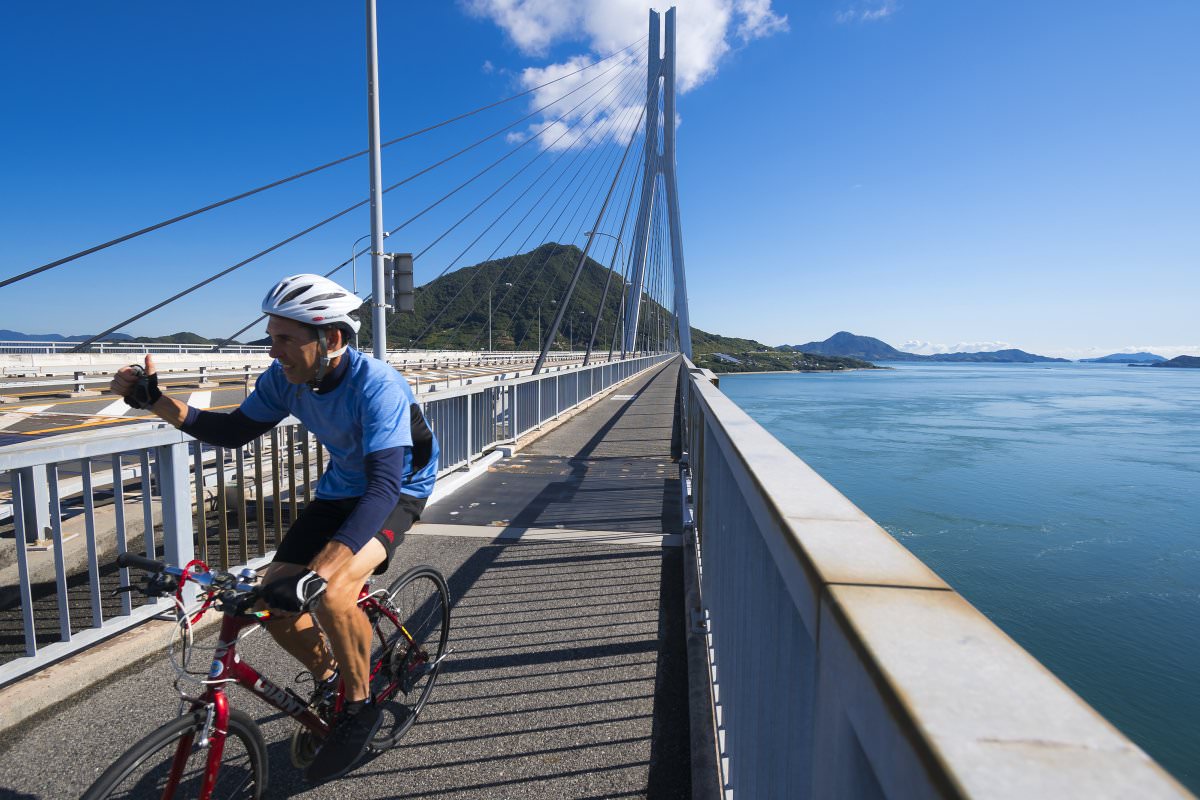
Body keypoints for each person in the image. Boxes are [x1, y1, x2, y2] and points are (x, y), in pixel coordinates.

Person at [109, 273, 438, 783]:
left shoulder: (378, 386)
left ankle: (357, 705)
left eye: (284, 339)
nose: (272, 351)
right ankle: (331, 675)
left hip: (397, 490)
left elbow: (382, 489)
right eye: (270, 337)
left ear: (330, 339)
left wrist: (322, 571)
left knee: (329, 593)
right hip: (340, 489)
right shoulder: (285, 380)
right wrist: (155, 399)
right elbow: (231, 430)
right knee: (271, 597)